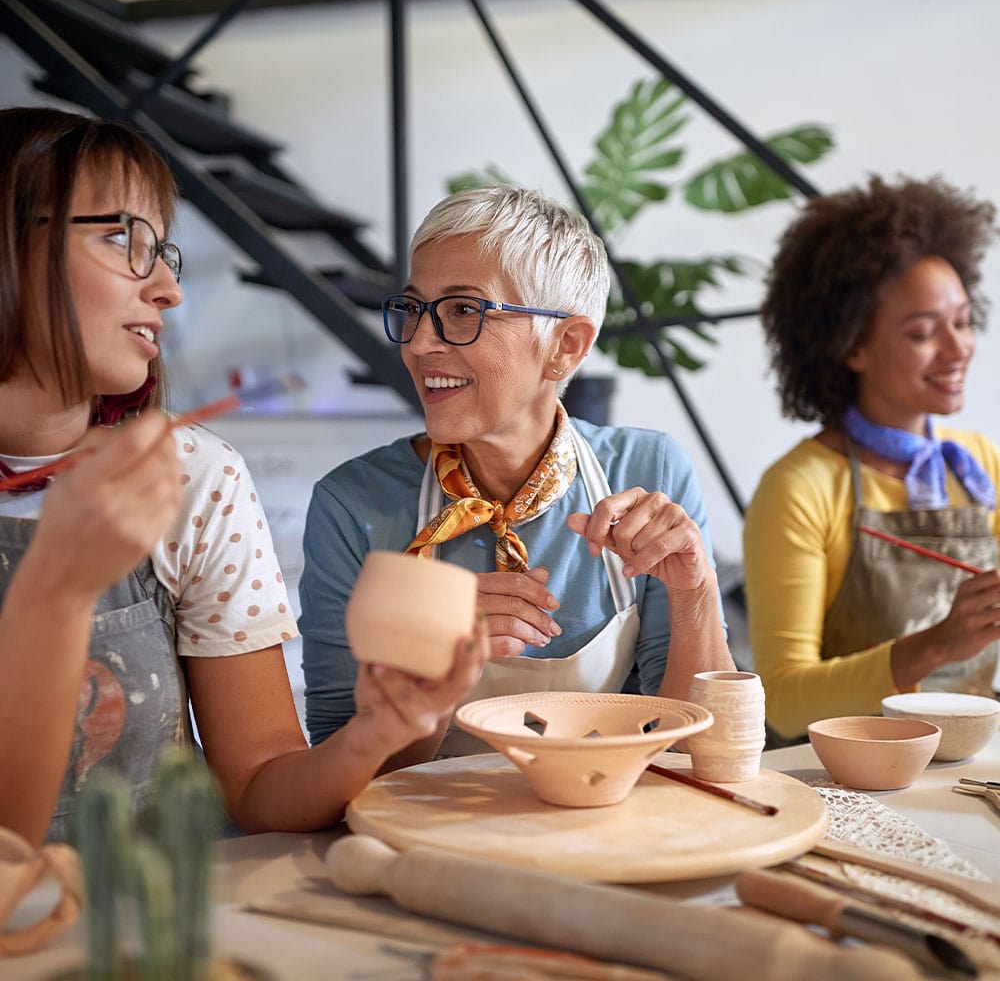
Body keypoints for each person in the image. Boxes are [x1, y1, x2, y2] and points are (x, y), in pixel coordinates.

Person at [0, 106, 486, 847]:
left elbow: (260, 786)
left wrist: (376, 736)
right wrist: (59, 587)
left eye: (166, 252)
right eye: (121, 238)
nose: (167, 289)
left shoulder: (193, 480)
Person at [300, 185, 733, 761]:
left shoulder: (646, 472)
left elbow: (695, 748)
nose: (420, 343)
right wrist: (430, 662)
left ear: (566, 345)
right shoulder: (353, 505)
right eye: (414, 309)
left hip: (609, 824)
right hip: (427, 837)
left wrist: (696, 592)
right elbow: (334, 765)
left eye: (463, 311)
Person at [743, 175, 1000, 743]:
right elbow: (781, 702)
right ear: (851, 345)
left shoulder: (982, 465)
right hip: (851, 784)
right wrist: (937, 643)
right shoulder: (800, 488)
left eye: (962, 322)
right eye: (923, 333)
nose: (959, 350)